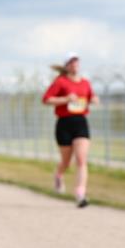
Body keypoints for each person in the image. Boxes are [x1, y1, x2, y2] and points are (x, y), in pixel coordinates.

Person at [42, 52, 97, 207]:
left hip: (80, 121)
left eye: (76, 62)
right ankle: (59, 174)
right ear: (66, 66)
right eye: (71, 62)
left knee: (81, 159)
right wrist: (65, 99)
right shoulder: (60, 82)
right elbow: (46, 99)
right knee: (66, 161)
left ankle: (80, 193)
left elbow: (92, 96)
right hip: (64, 123)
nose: (75, 65)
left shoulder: (85, 82)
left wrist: (94, 99)